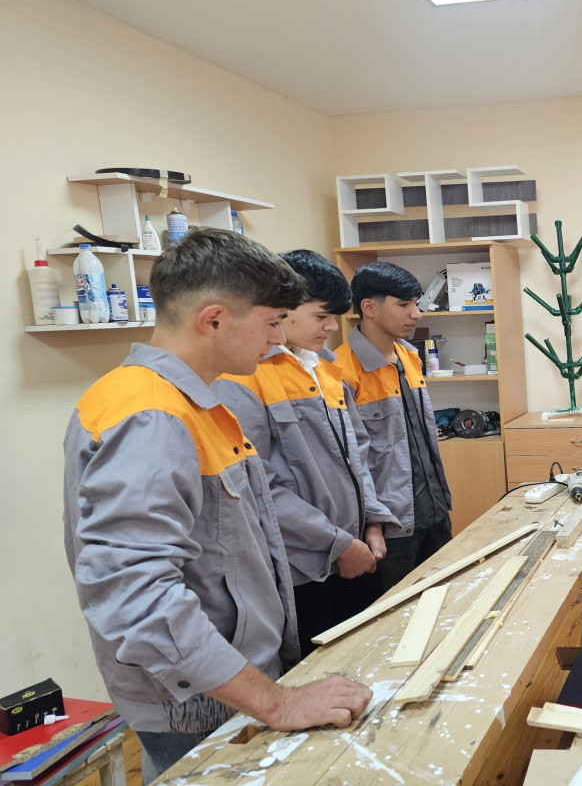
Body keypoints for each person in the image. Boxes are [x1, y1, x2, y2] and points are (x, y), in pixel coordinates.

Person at [63, 229, 372, 783]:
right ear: (213, 320)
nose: (278, 340)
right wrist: (276, 702)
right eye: (273, 322)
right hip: (198, 697)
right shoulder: (152, 417)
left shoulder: (193, 401)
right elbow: (136, 594)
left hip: (227, 680)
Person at [214, 250, 401, 656]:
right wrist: (337, 545)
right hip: (302, 568)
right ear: (284, 308)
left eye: (336, 316)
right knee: (316, 668)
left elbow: (358, 455)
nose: (332, 327)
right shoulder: (243, 378)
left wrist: (372, 522)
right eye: (322, 316)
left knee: (368, 657)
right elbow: (258, 486)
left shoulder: (325, 369)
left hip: (357, 550)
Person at [336, 262, 452, 590]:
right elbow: (350, 463)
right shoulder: (340, 372)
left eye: (415, 303)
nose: (416, 313)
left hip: (434, 511)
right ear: (369, 307)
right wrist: (372, 521)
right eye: (404, 304)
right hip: (390, 525)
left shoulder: (409, 356)